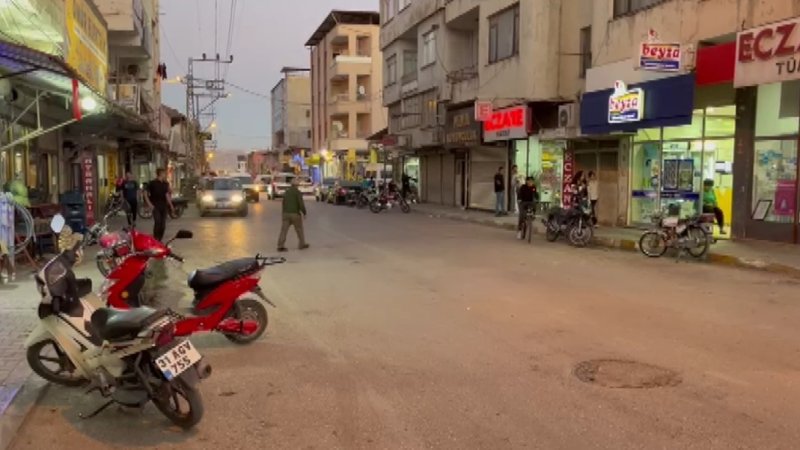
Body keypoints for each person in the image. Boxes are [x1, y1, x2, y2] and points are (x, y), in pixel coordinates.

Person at [277, 178, 309, 252]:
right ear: (297, 185)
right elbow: (301, 204)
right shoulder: (297, 192)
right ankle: (302, 244)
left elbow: (283, 203)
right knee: (299, 229)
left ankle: (280, 246)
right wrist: (304, 213)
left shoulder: (287, 192)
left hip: (286, 214)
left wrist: (284, 212)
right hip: (295, 214)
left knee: (284, 230)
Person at [144, 169, 174, 241]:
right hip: (155, 206)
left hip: (163, 206)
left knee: (163, 225)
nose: (165, 175)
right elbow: (145, 193)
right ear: (160, 174)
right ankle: (155, 238)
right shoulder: (152, 183)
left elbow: (166, 195)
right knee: (157, 222)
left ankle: (160, 239)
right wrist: (149, 204)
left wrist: (171, 205)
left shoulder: (165, 184)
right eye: (164, 173)